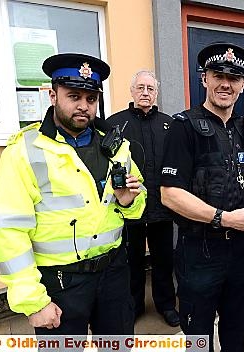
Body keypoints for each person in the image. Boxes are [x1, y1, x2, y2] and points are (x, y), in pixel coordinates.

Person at [0, 54, 146, 338]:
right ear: (53, 95)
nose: (83, 106)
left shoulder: (116, 144)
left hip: (113, 274)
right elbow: (8, 231)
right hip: (59, 284)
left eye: (91, 98)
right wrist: (33, 301)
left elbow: (139, 198)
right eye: (74, 96)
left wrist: (129, 201)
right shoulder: (25, 150)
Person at [160, 42, 244, 352]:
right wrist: (223, 218)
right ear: (204, 79)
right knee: (198, 339)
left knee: (236, 335)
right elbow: (170, 194)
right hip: (200, 251)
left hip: (243, 253)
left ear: (242, 85)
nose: (225, 83)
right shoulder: (183, 127)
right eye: (218, 75)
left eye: (234, 77)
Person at [106, 70, 179, 327]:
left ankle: (167, 305)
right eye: (140, 87)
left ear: (156, 92)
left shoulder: (170, 124)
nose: (145, 92)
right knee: (132, 261)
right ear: (132, 91)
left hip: (161, 208)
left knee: (163, 261)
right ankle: (134, 306)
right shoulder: (115, 123)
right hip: (129, 209)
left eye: (150, 88)